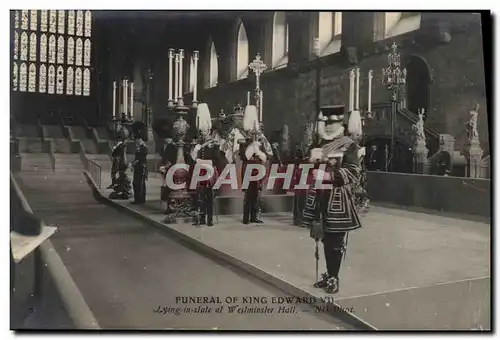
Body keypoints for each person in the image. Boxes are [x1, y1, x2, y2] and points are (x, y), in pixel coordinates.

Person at [302, 105, 363, 294]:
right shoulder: (318, 144)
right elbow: (307, 170)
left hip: (337, 200)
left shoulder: (349, 145)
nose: (329, 126)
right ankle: (329, 274)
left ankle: (334, 278)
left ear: (340, 124)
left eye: (333, 122)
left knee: (335, 241)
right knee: (323, 239)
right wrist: (310, 162)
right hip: (318, 196)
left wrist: (329, 175)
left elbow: (354, 172)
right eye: (327, 122)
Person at [191, 103, 219, 226]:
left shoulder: (213, 144)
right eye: (201, 132)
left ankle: (210, 219)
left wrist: (200, 161)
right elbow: (192, 158)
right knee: (200, 196)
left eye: (205, 131)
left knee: (209, 197)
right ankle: (201, 218)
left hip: (209, 173)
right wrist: (196, 150)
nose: (203, 134)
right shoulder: (198, 144)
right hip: (200, 172)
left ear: (209, 131)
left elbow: (216, 160)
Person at [240, 105, 267, 224]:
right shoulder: (244, 142)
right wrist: (252, 148)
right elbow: (244, 156)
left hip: (258, 169)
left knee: (256, 194)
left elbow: (265, 156)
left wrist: (259, 152)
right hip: (248, 169)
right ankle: (246, 217)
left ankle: (254, 216)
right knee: (248, 195)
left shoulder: (260, 142)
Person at [131, 122, 148, 204]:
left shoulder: (143, 147)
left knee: (140, 183)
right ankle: (137, 198)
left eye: (137, 140)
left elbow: (140, 158)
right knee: (135, 183)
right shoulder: (139, 147)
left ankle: (140, 199)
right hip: (138, 167)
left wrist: (134, 163)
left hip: (141, 166)